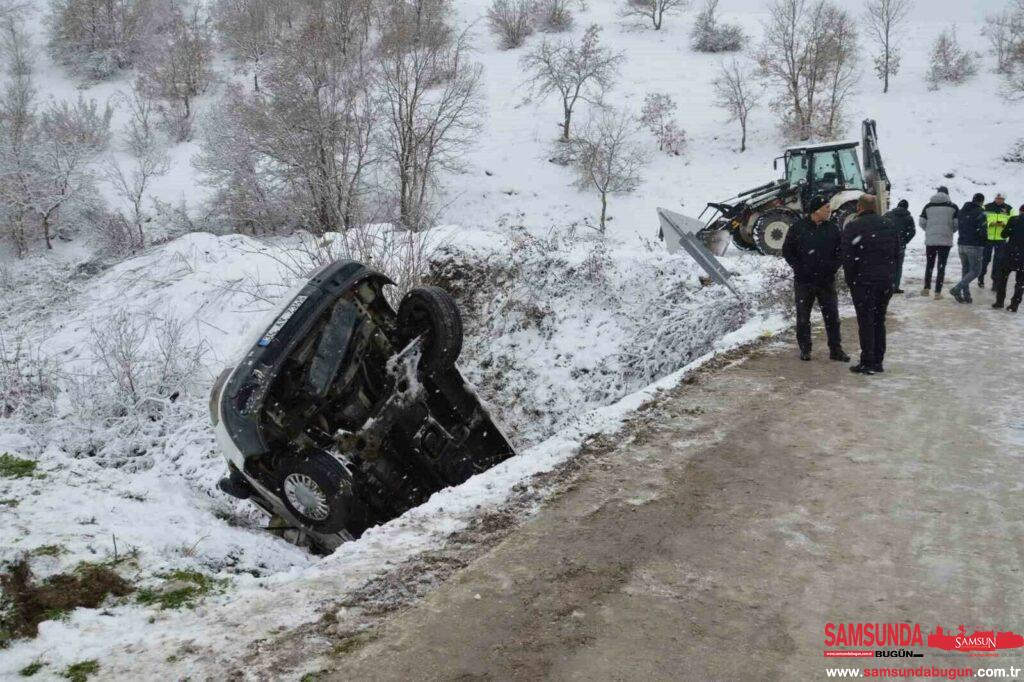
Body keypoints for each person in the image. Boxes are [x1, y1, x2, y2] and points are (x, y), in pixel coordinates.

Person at [782, 195, 849, 362]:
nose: (829, 211)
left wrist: (833, 266)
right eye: (826, 207)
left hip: (826, 280)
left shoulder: (833, 228)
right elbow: (788, 251)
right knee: (803, 316)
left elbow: (841, 251)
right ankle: (805, 349)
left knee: (832, 316)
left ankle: (836, 349)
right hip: (804, 281)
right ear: (816, 210)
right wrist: (799, 267)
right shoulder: (798, 228)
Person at [842, 194, 900, 376]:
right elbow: (897, 254)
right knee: (879, 320)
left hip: (863, 282)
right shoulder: (889, 225)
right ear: (875, 207)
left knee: (866, 322)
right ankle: (878, 361)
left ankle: (867, 361)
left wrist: (851, 280)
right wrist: (890, 277)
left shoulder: (853, 227)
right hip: (885, 282)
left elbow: (848, 258)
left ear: (859, 207)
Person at [918, 187, 958, 299]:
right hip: (945, 241)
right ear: (947, 194)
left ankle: (926, 289)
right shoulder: (953, 206)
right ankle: (937, 293)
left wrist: (929, 230)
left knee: (929, 264)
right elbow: (956, 223)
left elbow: (922, 222)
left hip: (931, 241)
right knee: (941, 266)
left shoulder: (928, 206)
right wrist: (950, 231)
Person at [949, 193, 987, 304]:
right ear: (981, 202)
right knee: (976, 271)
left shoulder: (961, 211)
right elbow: (983, 231)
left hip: (961, 244)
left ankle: (966, 296)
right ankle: (957, 289)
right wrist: (984, 242)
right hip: (974, 245)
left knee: (966, 271)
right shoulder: (980, 213)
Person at [995, 205, 1024, 312]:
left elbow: (1004, 234)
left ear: (1020, 211)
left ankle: (999, 301)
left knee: (1002, 278)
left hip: (1010, 254)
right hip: (1023, 257)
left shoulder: (1014, 219)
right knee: (1020, 282)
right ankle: (1014, 304)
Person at [981, 192, 1013, 289]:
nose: (998, 200)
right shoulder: (986, 207)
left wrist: (1002, 226)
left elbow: (1012, 222)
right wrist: (997, 223)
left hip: (1001, 239)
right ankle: (981, 276)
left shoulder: (1009, 209)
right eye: (997, 198)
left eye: (1001, 199)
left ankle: (995, 281)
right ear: (995, 198)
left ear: (1004, 199)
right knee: (985, 259)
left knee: (998, 261)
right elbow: (982, 220)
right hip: (988, 238)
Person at [883, 199, 916, 294]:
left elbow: (881, 226)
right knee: (898, 267)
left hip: (888, 244)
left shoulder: (888, 215)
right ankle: (895, 287)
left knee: (887, 265)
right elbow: (912, 232)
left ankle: (886, 286)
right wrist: (905, 240)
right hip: (900, 246)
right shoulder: (908, 218)